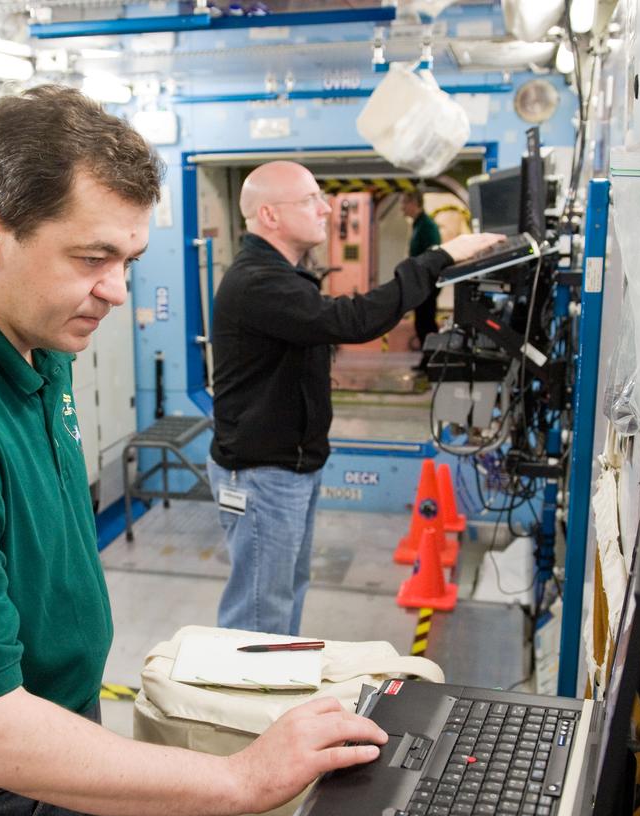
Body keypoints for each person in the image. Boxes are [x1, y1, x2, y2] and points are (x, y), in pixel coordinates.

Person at [0, 87, 387, 816]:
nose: (117, 290)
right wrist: (241, 779)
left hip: (60, 732)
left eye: (128, 260)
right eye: (92, 257)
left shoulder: (35, 335)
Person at [207, 162, 504, 636]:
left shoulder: (280, 275)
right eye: (310, 200)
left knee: (283, 594)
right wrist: (438, 258)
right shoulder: (258, 282)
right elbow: (354, 320)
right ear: (269, 215)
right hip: (262, 475)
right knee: (259, 612)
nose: (325, 208)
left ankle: (276, 677)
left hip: (286, 467)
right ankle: (251, 684)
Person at [402, 190, 444, 360]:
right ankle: (427, 360)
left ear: (414, 203)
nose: (402, 208)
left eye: (404, 203)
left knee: (426, 322)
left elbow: (431, 256)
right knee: (421, 322)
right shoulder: (418, 225)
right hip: (421, 282)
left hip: (427, 283)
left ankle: (432, 360)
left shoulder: (427, 226)